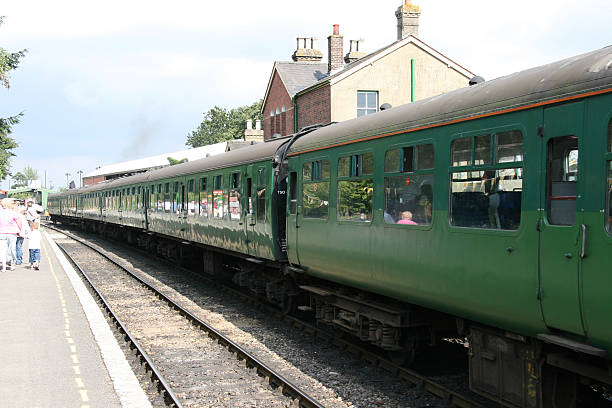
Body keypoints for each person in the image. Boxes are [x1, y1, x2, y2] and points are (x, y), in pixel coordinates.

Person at [0, 198, 22, 271]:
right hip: (12, 233)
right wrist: (19, 231)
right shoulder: (12, 212)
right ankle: (12, 265)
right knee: (12, 249)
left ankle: (3, 267)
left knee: (2, 250)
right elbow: (19, 222)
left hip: (1, 233)